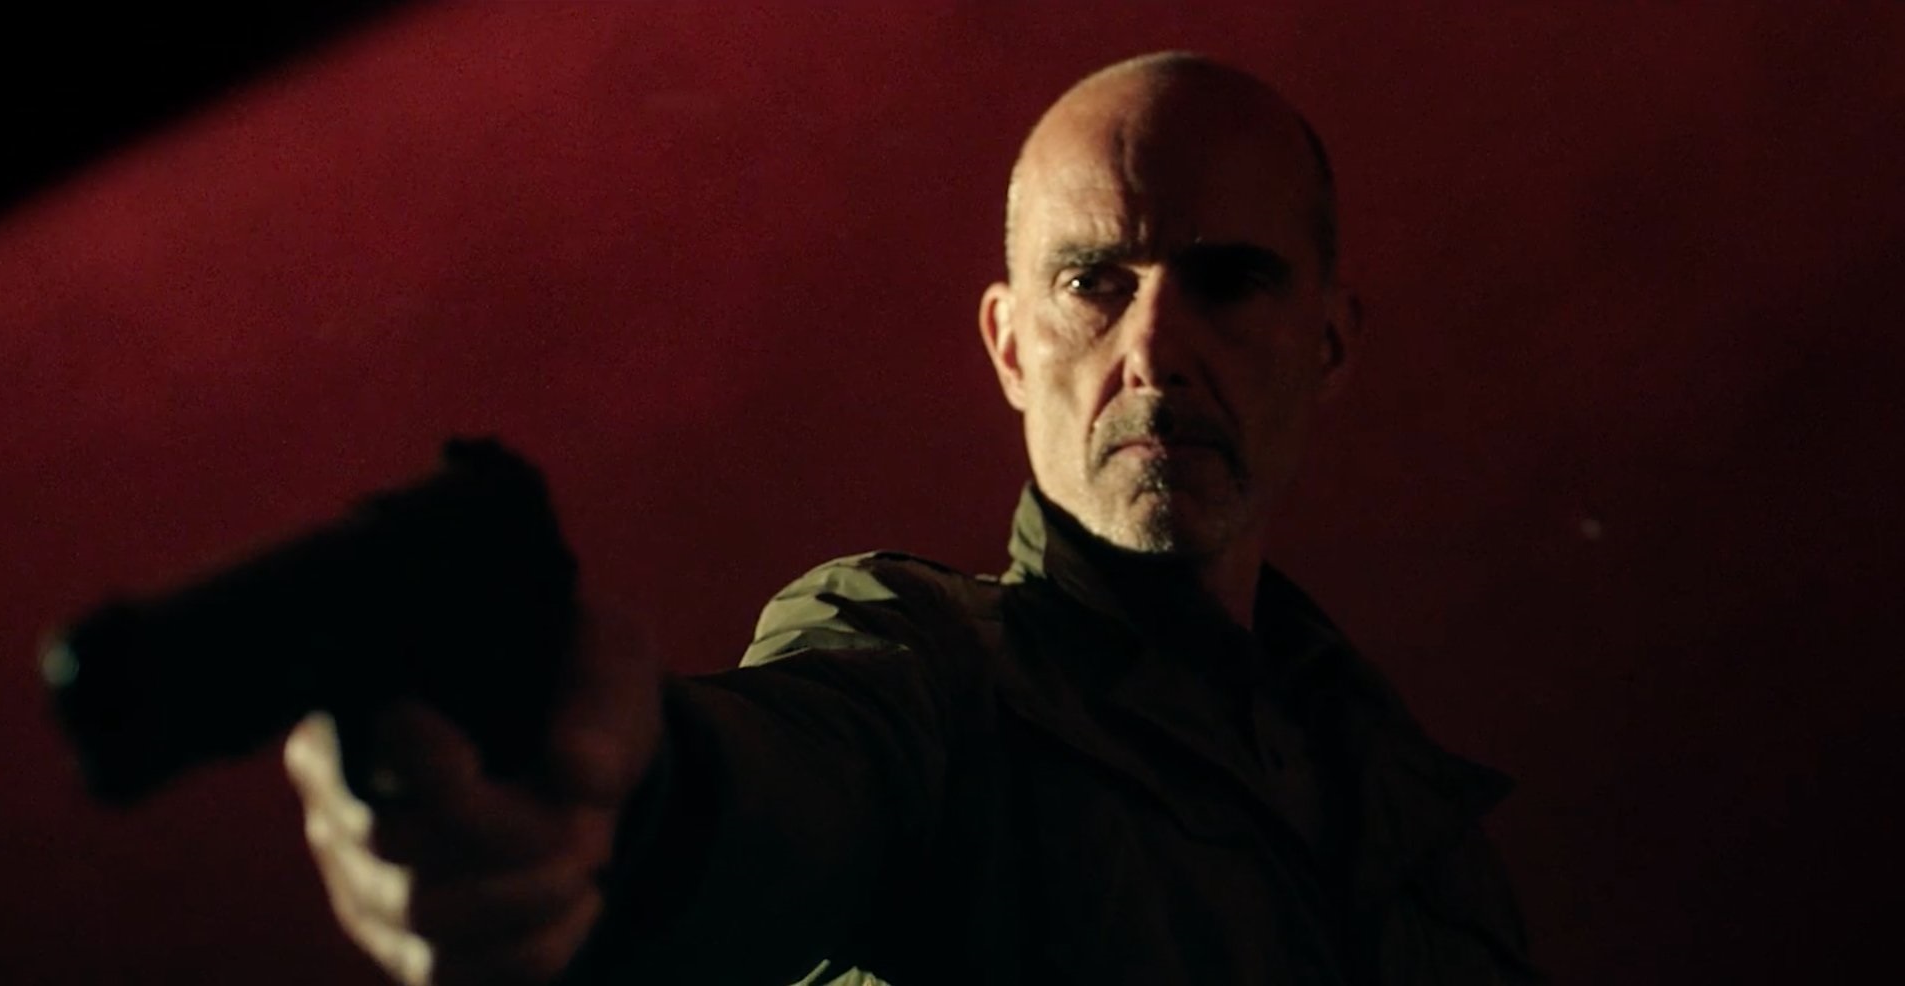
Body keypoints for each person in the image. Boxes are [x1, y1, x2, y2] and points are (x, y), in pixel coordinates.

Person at [283, 52, 1540, 986]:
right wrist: (612, 799)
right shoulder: (928, 674)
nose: (1153, 348)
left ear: (1329, 338)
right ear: (1010, 343)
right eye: (1091, 281)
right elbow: (786, 778)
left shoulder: (1405, 804)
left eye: (1227, 280)